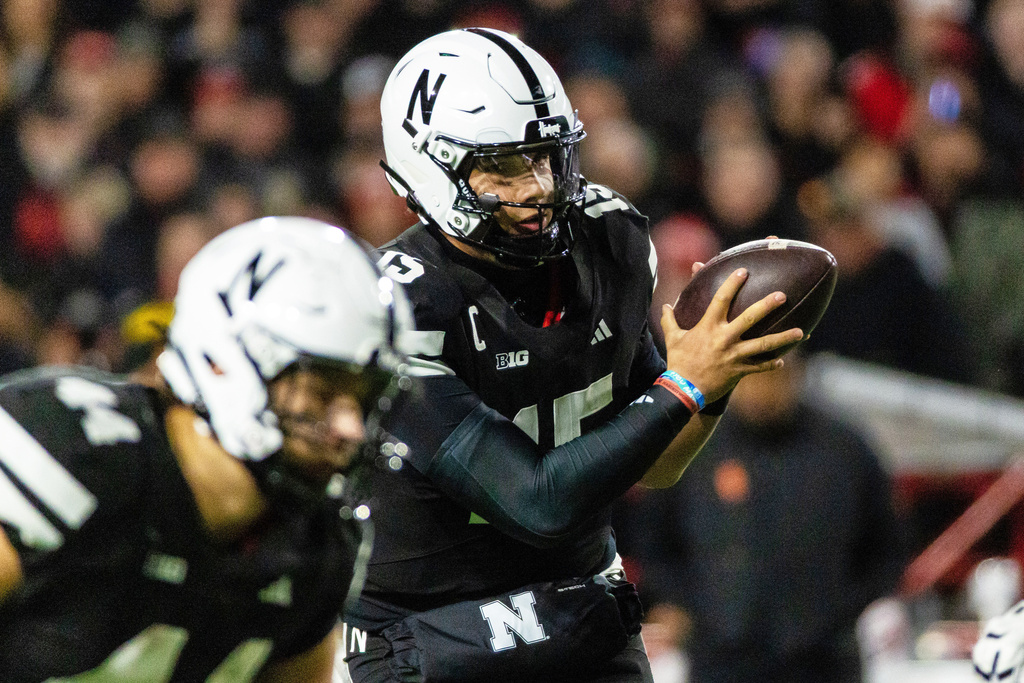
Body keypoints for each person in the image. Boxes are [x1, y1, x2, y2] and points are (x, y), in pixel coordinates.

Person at [337, 27, 804, 683]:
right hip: (433, 629)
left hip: (578, 607)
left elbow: (662, 460)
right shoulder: (392, 308)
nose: (538, 186)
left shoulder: (606, 241)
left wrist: (717, 373)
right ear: (427, 166)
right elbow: (539, 500)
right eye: (504, 165)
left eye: (548, 156)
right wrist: (686, 387)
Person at [0, 216, 413, 682]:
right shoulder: (75, 450)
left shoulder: (313, 546)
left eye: (363, 397)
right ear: (224, 362)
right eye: (321, 391)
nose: (350, 427)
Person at [613, 352, 907, 683]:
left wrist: (843, 612)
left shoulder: (845, 450)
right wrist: (684, 605)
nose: (763, 389)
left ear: (798, 375)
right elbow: (653, 542)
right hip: (720, 661)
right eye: (754, 375)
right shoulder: (696, 446)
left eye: (775, 375)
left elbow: (887, 549)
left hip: (824, 662)